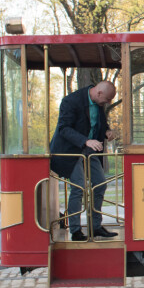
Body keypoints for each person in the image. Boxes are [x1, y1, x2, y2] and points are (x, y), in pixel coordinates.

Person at [49, 81, 118, 242]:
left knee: (100, 183)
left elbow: (98, 123)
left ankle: (96, 226)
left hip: (89, 150)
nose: (107, 103)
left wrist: (107, 131)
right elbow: (64, 129)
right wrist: (86, 141)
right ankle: (75, 230)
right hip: (70, 151)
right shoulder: (71, 101)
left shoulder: (98, 103)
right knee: (79, 187)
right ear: (99, 93)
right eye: (107, 100)